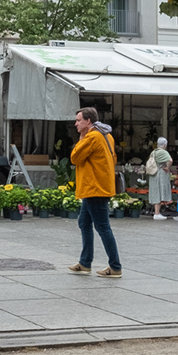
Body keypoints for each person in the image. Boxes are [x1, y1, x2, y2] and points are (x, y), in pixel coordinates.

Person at [69, 108, 122, 278]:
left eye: (79, 120)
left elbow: (75, 157)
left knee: (103, 227)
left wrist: (81, 139)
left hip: (95, 188)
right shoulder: (107, 135)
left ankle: (115, 266)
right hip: (98, 186)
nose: (76, 123)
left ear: (88, 122)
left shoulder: (92, 137)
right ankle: (85, 263)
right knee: (84, 223)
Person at [147, 136, 174, 220]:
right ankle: (157, 213)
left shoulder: (153, 152)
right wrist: (167, 168)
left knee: (155, 192)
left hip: (153, 174)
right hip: (160, 174)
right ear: (165, 145)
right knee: (159, 192)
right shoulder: (163, 152)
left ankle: (156, 212)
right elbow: (170, 160)